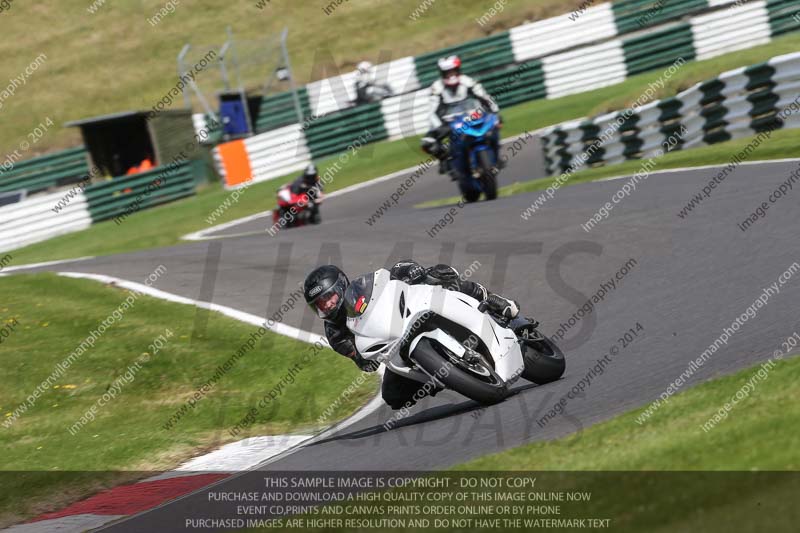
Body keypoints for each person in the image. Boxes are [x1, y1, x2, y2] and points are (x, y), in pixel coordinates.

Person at [303, 261, 520, 410]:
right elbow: (363, 362)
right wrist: (362, 356)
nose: (327, 305)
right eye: (320, 305)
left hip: (412, 313)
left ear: (340, 286)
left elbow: (391, 277)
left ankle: (492, 300)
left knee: (437, 275)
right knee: (392, 397)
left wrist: (412, 272)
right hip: (396, 347)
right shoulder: (335, 334)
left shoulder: (362, 287)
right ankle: (438, 375)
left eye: (328, 297)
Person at [420, 55, 503, 177]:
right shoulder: (436, 87)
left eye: (453, 71)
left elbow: (485, 97)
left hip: (471, 116)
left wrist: (495, 112)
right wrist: (440, 127)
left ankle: (496, 156)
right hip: (448, 122)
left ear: (458, 70)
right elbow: (432, 112)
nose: (450, 75)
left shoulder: (468, 81)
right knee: (427, 143)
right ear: (442, 73)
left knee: (495, 126)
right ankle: (445, 160)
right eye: (447, 72)